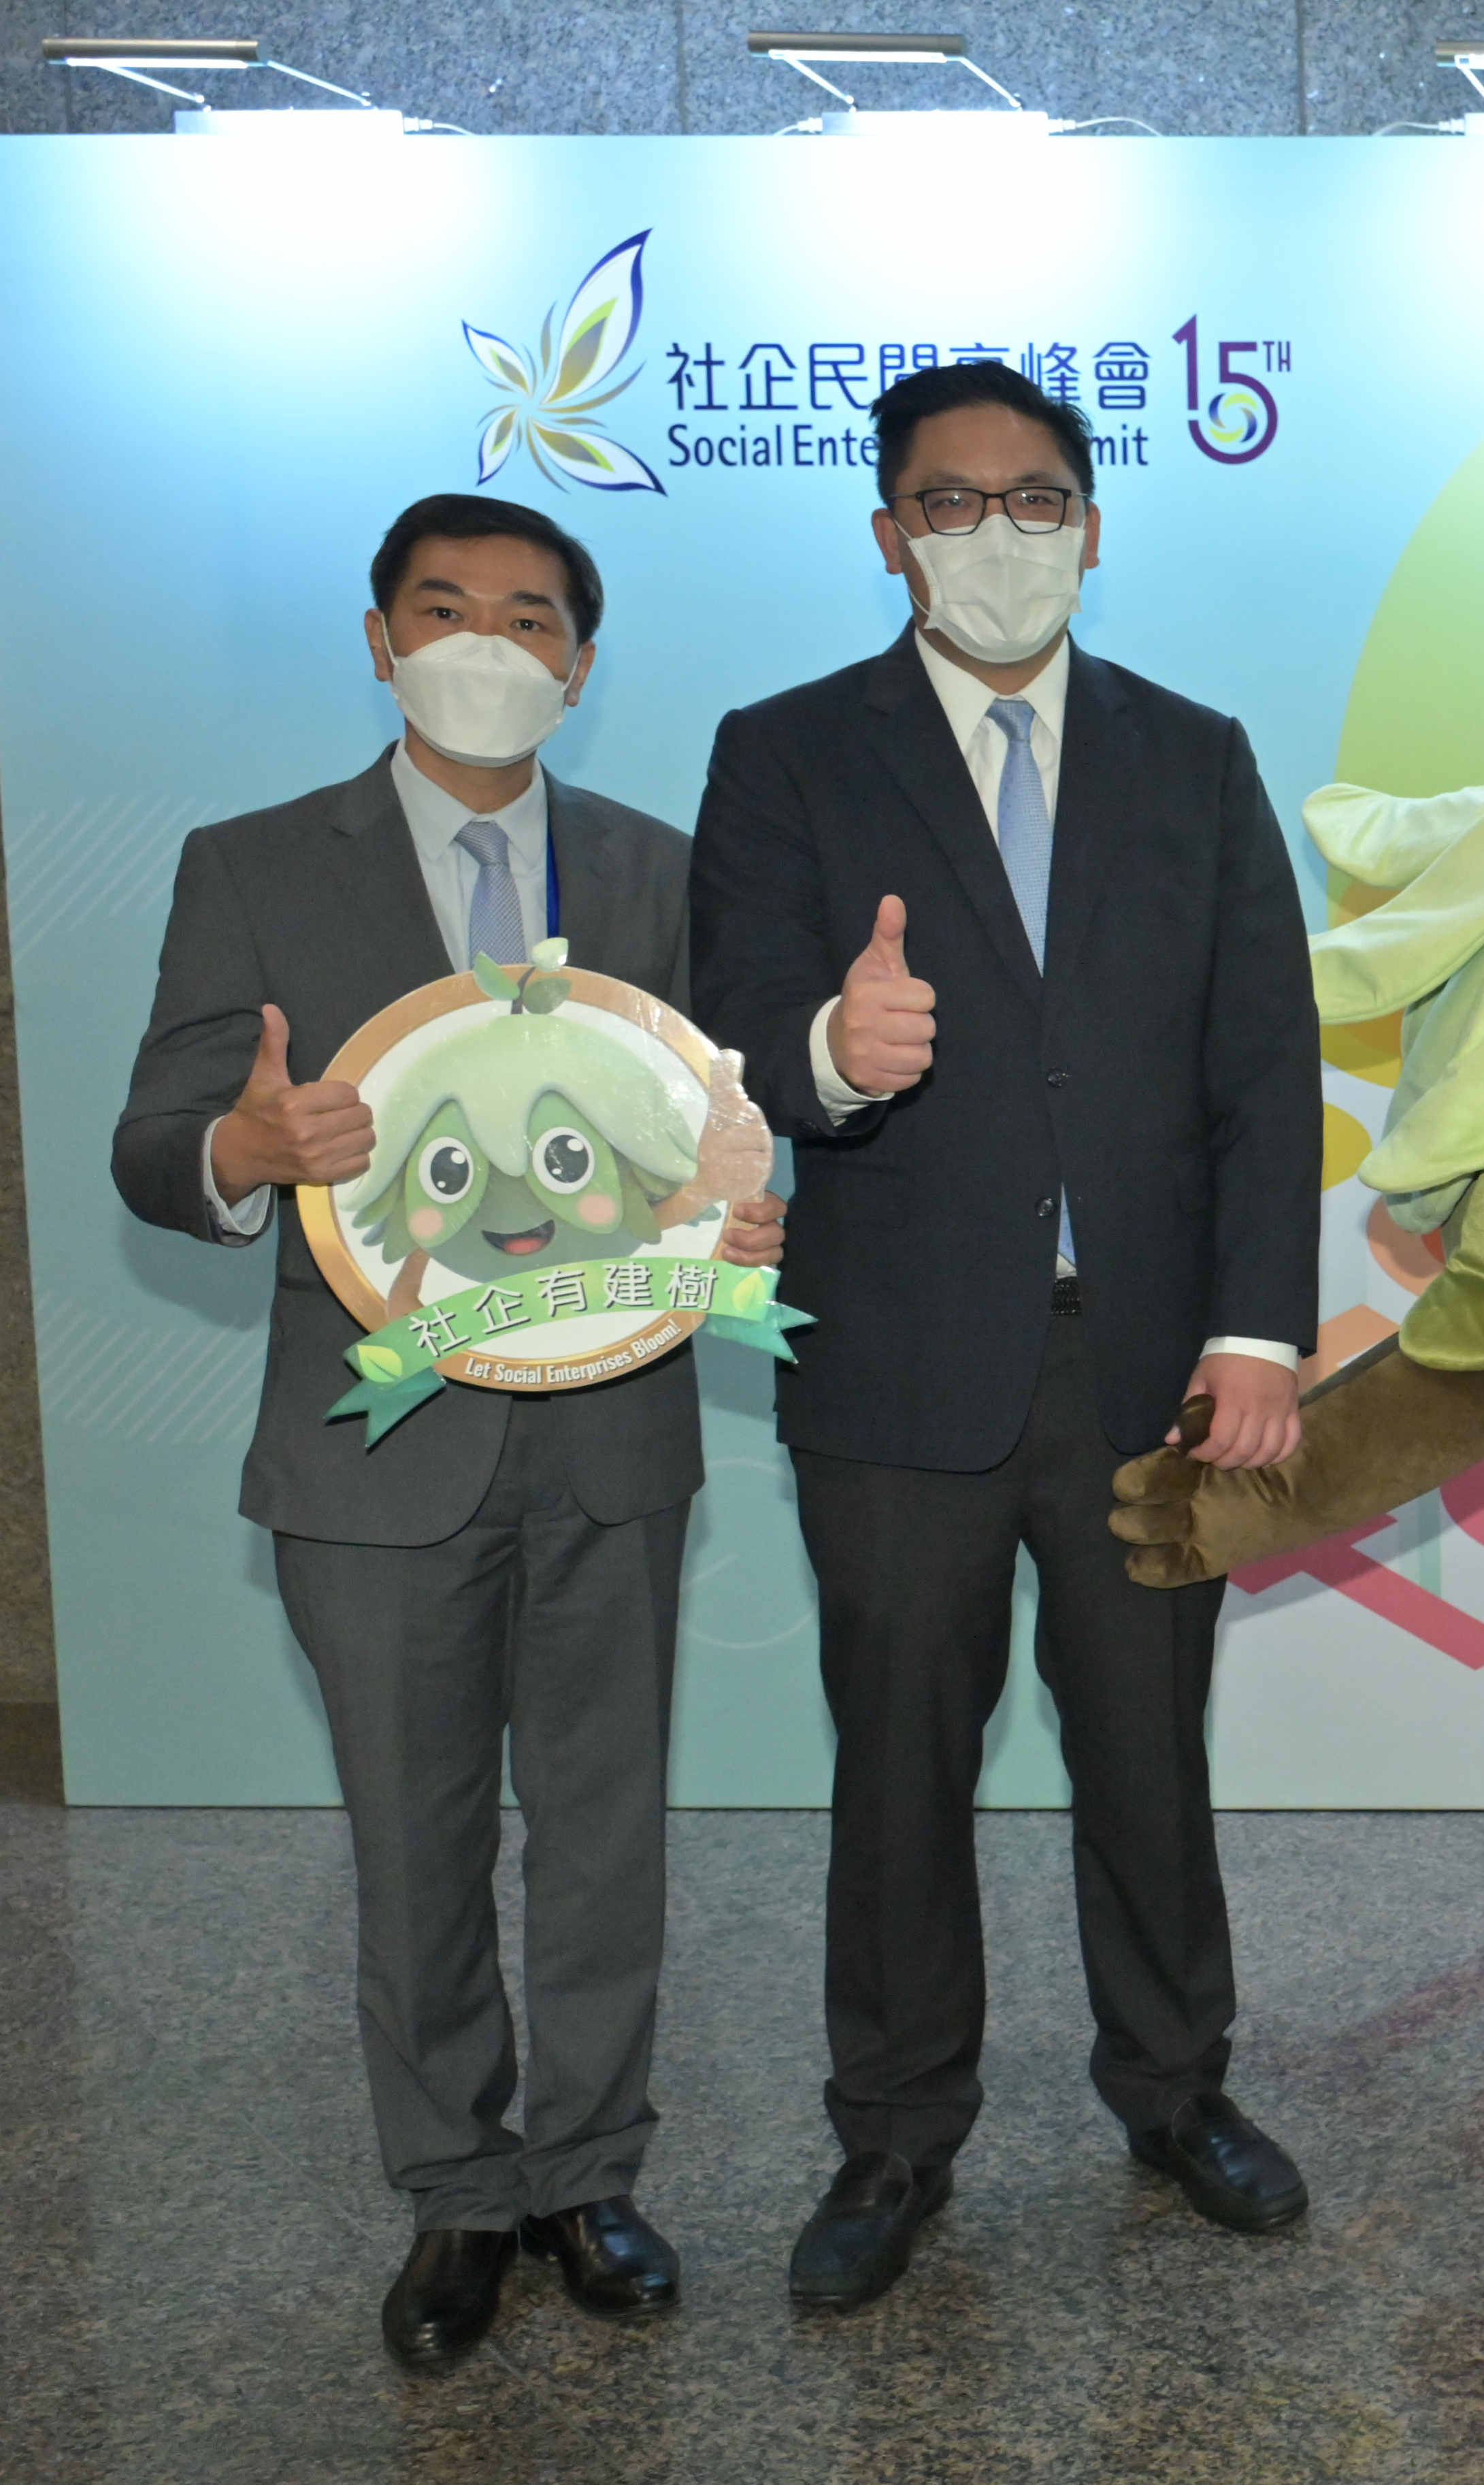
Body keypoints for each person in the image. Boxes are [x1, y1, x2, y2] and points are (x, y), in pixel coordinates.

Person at [111, 494, 786, 2369]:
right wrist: (243, 1145)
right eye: (446, 607)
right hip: (369, 1450)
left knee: (603, 1830)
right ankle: (459, 2195)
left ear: (580, 661)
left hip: (613, 1435)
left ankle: (589, 2172)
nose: (487, 643)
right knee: (413, 1846)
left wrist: (744, 1212)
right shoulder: (253, 864)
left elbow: (718, 1130)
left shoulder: (659, 868)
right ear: (380, 638)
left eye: (529, 616)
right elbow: (155, 1144)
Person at [690, 359, 1322, 2309]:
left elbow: (1262, 1063)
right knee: (899, 1762)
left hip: (1145, 1363)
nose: (997, 531)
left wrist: (1256, 1330)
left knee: (1147, 1748)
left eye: (1034, 495)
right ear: (891, 534)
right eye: (951, 501)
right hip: (894, 1362)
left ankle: (1175, 2088)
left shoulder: (1193, 754)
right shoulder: (788, 750)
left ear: (1092, 526)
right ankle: (893, 2133)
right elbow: (727, 1040)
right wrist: (827, 1050)